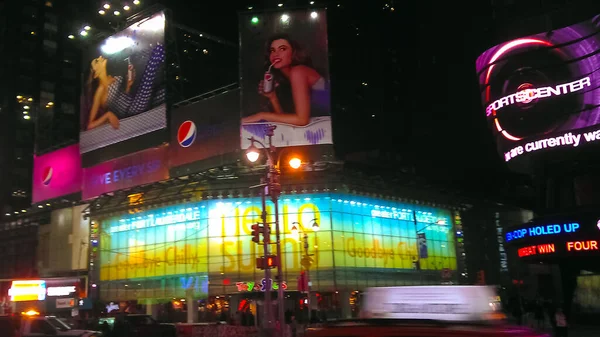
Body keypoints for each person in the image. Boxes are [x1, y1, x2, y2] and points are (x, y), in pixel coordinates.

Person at [242, 34, 329, 126]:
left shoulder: (298, 71)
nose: (275, 54)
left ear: (294, 53)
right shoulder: (286, 79)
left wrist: (262, 115)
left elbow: (302, 120)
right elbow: (287, 121)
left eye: (282, 49)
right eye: (272, 50)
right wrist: (273, 97)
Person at [84, 44, 165, 130]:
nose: (100, 57)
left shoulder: (112, 77)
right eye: (96, 61)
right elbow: (90, 125)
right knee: (156, 55)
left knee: (164, 93)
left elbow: (123, 98)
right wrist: (108, 115)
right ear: (95, 74)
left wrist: (129, 85)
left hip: (134, 102)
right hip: (131, 110)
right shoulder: (100, 89)